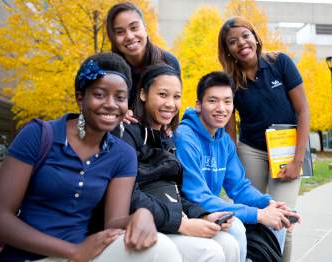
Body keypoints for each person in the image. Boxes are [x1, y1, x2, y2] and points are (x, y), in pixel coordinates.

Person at [0, 53, 182, 262]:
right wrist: (72, 251)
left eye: (120, 97)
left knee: (161, 249)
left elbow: (113, 223)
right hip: (28, 257)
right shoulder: (39, 135)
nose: (111, 104)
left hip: (82, 256)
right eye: (100, 94)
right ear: (80, 97)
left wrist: (142, 215)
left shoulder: (122, 155)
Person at [116, 64, 240, 262]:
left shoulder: (167, 139)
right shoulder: (126, 134)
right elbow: (130, 195)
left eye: (176, 97)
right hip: (143, 224)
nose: (170, 104)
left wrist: (203, 215)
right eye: (163, 94)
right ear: (143, 94)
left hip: (169, 220)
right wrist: (181, 224)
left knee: (229, 242)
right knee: (211, 251)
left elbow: (174, 193)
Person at [174, 72, 300, 262]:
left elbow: (239, 187)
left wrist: (268, 204)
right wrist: (258, 214)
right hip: (189, 212)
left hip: (210, 207)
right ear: (199, 105)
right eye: (213, 101)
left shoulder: (224, 140)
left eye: (227, 102)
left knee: (276, 223)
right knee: (237, 228)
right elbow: (197, 196)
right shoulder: (185, 137)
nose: (221, 108)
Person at [217, 17, 310, 262]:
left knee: (284, 216)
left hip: (287, 150)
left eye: (245, 36)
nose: (241, 43)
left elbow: (303, 111)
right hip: (252, 151)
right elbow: (230, 128)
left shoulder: (280, 62)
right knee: (253, 215)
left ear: (255, 37)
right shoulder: (231, 81)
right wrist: (234, 162)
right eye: (232, 42)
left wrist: (297, 160)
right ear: (227, 50)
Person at [106, 2, 181, 123]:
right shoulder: (109, 68)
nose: (129, 36)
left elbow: (174, 104)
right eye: (120, 32)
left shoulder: (169, 63)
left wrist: (169, 125)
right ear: (112, 38)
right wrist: (116, 112)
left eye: (134, 28)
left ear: (145, 28)